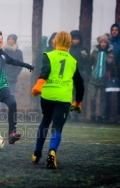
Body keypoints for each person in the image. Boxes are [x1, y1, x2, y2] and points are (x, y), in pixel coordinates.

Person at [31, 31, 84, 169]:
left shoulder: (48, 55)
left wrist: (39, 84)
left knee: (45, 121)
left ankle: (36, 154)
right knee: (57, 126)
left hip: (47, 95)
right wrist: (78, 101)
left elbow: (45, 70)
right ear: (70, 44)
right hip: (63, 98)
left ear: (54, 42)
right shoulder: (73, 61)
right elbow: (80, 84)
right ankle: (52, 151)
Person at [89, 34, 115, 124]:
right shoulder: (95, 52)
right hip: (94, 78)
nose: (103, 44)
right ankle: (92, 115)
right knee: (92, 97)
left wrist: (111, 62)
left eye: (105, 42)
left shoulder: (110, 52)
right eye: (101, 42)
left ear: (107, 43)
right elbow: (90, 63)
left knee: (103, 99)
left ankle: (100, 116)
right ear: (99, 43)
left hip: (105, 79)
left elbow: (113, 65)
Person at [69, 30, 90, 122]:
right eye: (74, 39)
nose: (75, 41)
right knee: (69, 94)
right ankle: (68, 114)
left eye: (77, 39)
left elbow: (88, 63)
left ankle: (75, 115)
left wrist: (85, 57)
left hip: (79, 73)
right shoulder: (68, 48)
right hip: (69, 73)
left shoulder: (83, 49)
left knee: (77, 95)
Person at [1, 34, 24, 111]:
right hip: (4, 77)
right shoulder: (2, 52)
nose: (10, 41)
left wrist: (15, 73)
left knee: (11, 95)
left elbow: (20, 65)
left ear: (15, 41)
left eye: (12, 39)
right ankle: (3, 112)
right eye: (9, 39)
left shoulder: (18, 52)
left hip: (13, 78)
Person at [109, 24, 120, 123]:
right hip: (111, 71)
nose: (114, 31)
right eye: (113, 30)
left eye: (116, 30)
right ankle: (106, 116)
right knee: (108, 94)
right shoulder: (108, 42)